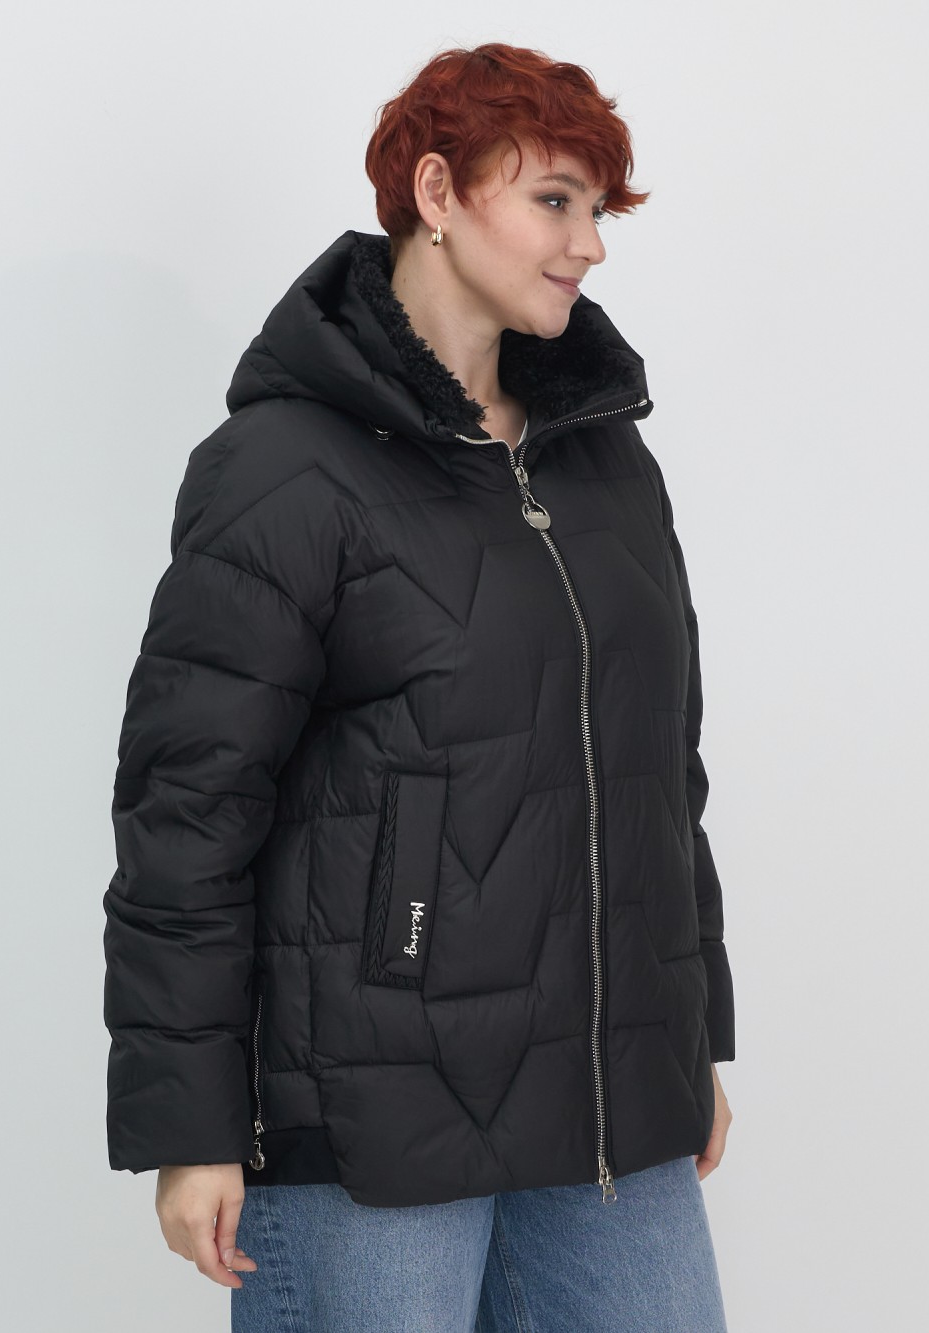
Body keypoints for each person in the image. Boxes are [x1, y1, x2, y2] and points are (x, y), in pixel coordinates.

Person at [103, 40, 735, 1332]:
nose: (588, 245)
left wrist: (682, 1040)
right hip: (370, 1109)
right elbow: (189, 809)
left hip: (606, 1108)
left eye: (597, 210)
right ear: (437, 193)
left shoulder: (604, 460)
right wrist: (192, 1123)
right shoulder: (285, 468)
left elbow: (659, 770)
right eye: (553, 200)